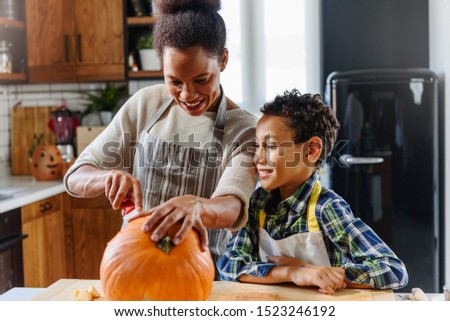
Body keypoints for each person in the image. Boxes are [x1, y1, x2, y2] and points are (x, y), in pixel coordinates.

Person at [64, 0, 258, 278]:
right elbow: (75, 177)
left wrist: (198, 206)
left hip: (202, 274)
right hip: (131, 265)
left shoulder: (245, 130)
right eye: (175, 82)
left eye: (202, 80)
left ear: (223, 60)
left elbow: (232, 206)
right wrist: (106, 178)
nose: (188, 95)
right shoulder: (147, 104)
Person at [217, 89, 408, 294]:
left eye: (270, 146)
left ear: (311, 150)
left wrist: (319, 273)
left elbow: (393, 269)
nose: (258, 158)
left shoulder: (326, 207)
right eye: (257, 146)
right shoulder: (258, 203)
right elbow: (229, 265)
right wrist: (294, 272)